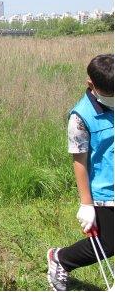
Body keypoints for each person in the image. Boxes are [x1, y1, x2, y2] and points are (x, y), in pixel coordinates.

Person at [47, 54, 113, 291]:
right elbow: (80, 160)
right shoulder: (80, 117)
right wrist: (86, 204)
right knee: (107, 243)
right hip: (104, 190)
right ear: (91, 85)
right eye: (109, 95)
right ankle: (60, 259)